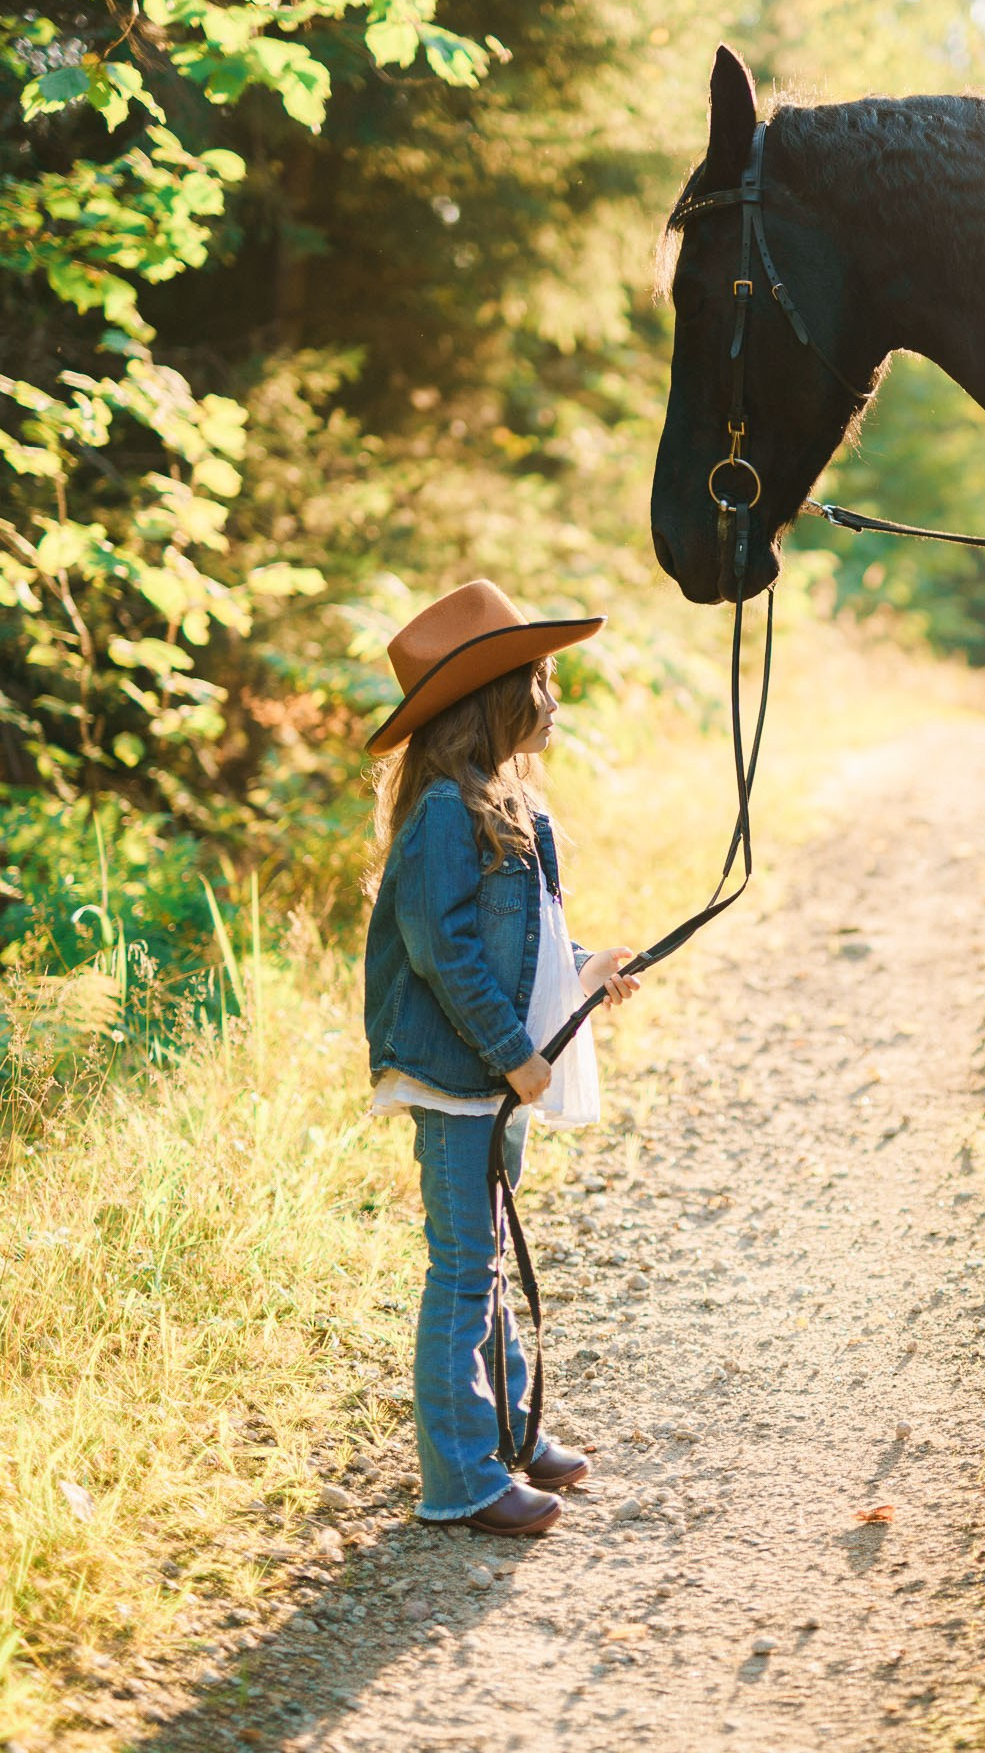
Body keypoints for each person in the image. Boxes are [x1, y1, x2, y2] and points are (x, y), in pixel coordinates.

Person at [363, 577, 642, 1535]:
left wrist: (583, 966)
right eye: (538, 678)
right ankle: (460, 1479)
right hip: (456, 1075)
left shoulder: (506, 804)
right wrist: (515, 1052)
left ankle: (511, 1432)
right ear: (493, 699)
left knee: (480, 1258)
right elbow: (444, 954)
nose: (553, 696)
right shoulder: (445, 811)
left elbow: (513, 947)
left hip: (490, 1070)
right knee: (462, 1266)